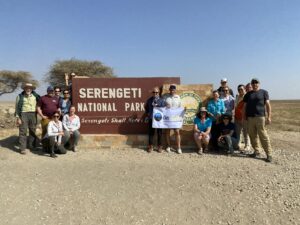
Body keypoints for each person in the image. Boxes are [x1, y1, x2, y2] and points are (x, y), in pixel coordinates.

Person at [243, 78, 273, 162]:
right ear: (251, 85)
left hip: (260, 117)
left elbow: (268, 105)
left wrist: (269, 117)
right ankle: (256, 151)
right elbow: (244, 107)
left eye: (256, 83)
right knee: (252, 135)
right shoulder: (248, 94)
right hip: (250, 117)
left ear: (259, 83)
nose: (254, 84)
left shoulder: (264, 92)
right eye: (253, 83)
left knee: (263, 135)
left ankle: (269, 154)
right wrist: (243, 117)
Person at [15, 83, 40, 154]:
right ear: (24, 89)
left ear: (32, 89)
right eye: (27, 88)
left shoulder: (36, 96)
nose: (28, 89)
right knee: (23, 131)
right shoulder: (20, 96)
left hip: (33, 114)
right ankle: (22, 148)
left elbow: (40, 104)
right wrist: (18, 118)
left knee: (32, 130)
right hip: (23, 114)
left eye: (30, 88)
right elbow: (17, 108)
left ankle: (31, 146)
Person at [145, 87, 165, 153]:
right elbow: (146, 108)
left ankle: (160, 146)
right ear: (152, 93)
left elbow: (164, 110)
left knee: (160, 133)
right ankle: (150, 146)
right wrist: (148, 114)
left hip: (159, 119)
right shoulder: (149, 100)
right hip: (151, 118)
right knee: (151, 133)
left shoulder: (162, 100)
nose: (155, 94)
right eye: (154, 92)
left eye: (156, 92)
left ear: (159, 93)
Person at [164, 84, 183, 154]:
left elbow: (180, 106)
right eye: (171, 90)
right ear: (169, 90)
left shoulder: (178, 97)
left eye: (173, 90)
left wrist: (183, 110)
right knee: (167, 131)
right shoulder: (165, 96)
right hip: (168, 117)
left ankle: (178, 147)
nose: (172, 91)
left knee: (177, 132)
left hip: (175, 117)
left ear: (175, 90)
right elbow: (162, 104)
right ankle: (168, 146)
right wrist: (165, 105)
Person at [234, 84, 250, 151]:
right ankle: (238, 145)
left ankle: (247, 146)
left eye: (241, 89)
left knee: (245, 133)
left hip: (244, 118)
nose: (240, 90)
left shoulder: (247, 97)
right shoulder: (237, 97)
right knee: (238, 133)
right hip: (237, 118)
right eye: (239, 89)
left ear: (244, 89)